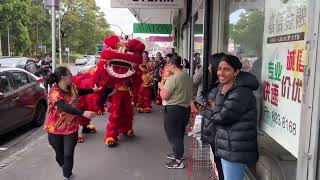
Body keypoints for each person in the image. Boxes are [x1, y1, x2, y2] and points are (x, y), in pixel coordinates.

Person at [44, 66, 101, 180]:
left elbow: (80, 91)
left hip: (71, 126)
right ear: (64, 78)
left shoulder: (72, 87)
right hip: (55, 127)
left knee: (68, 154)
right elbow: (64, 107)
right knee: (59, 155)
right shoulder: (54, 92)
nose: (72, 76)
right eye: (70, 74)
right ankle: (64, 166)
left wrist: (93, 90)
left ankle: (67, 175)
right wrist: (83, 113)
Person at [211, 55, 259, 180]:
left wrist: (220, 98)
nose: (221, 73)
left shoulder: (240, 92)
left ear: (236, 71)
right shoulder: (230, 87)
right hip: (231, 145)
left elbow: (220, 118)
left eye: (226, 69)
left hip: (235, 148)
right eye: (219, 69)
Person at [159, 55, 193, 169]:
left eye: (168, 64)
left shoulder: (173, 79)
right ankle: (178, 155)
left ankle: (178, 161)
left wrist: (161, 86)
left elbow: (164, 96)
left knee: (174, 135)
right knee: (179, 134)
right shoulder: (187, 77)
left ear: (173, 65)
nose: (167, 66)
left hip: (174, 110)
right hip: (185, 109)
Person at [199, 53, 226, 180]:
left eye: (210, 64)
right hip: (214, 130)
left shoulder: (222, 87)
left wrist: (212, 107)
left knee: (220, 163)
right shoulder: (217, 85)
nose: (209, 67)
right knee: (218, 162)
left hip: (217, 132)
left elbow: (221, 112)